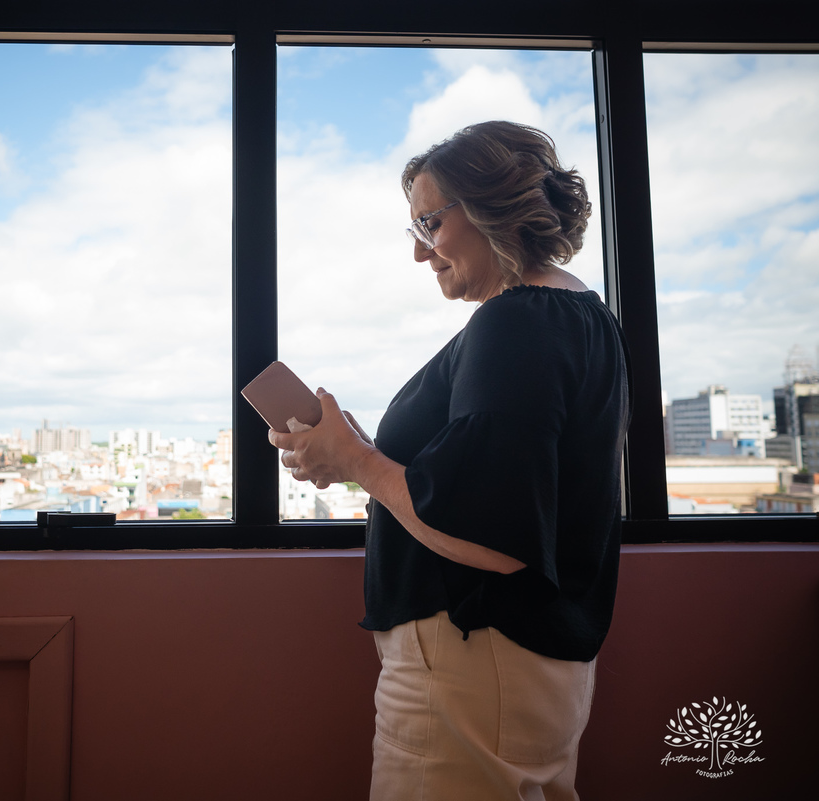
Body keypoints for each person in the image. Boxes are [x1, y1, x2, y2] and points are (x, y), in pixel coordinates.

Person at [269, 120, 631, 800]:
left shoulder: (516, 322)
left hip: (471, 666)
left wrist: (359, 462)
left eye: (429, 222)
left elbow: (490, 533)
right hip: (518, 667)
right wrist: (353, 456)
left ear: (494, 205)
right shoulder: (580, 314)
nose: (420, 252)